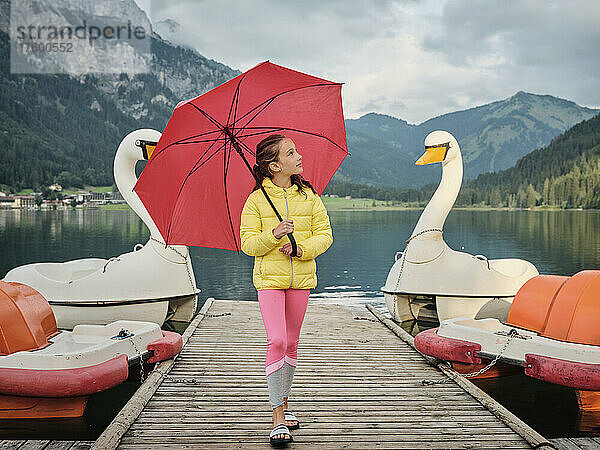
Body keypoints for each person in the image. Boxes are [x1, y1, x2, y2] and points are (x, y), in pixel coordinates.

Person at [240, 134, 333, 447]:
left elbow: (325, 236)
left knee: (292, 342)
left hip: (301, 279)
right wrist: (274, 234)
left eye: (296, 151)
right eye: (291, 153)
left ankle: (286, 403)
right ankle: (277, 416)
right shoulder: (255, 201)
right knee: (277, 340)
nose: (299, 156)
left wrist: (301, 249)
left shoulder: (310, 197)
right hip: (269, 281)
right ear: (274, 165)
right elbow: (248, 244)